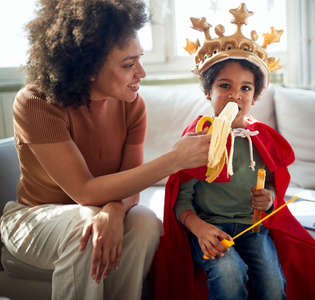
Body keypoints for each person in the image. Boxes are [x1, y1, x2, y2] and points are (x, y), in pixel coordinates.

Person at [0, 1, 210, 300]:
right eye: (128, 64)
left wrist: (113, 209)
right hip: (33, 220)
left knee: (145, 222)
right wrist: (175, 159)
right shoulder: (36, 102)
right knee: (85, 229)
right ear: (88, 68)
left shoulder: (132, 105)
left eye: (139, 60)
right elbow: (84, 192)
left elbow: (130, 186)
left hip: (95, 211)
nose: (142, 73)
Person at [151, 3, 315, 300]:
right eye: (224, 86)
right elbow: (180, 202)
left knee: (272, 283)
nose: (235, 95)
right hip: (210, 228)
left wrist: (268, 199)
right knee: (229, 273)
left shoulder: (262, 140)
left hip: (252, 228)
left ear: (255, 96)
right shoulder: (198, 139)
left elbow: (272, 189)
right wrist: (200, 229)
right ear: (208, 92)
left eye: (245, 88)